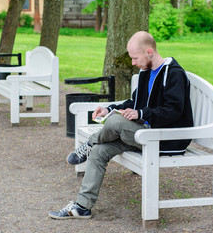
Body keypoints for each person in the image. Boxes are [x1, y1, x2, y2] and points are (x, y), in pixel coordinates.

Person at [49, 31, 194, 219]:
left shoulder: (173, 74)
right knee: (100, 150)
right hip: (143, 134)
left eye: (135, 58)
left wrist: (141, 114)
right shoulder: (145, 73)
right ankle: (82, 206)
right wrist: (109, 109)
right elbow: (133, 103)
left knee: (116, 122)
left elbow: (174, 110)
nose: (133, 63)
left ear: (149, 52)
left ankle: (90, 142)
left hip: (166, 139)